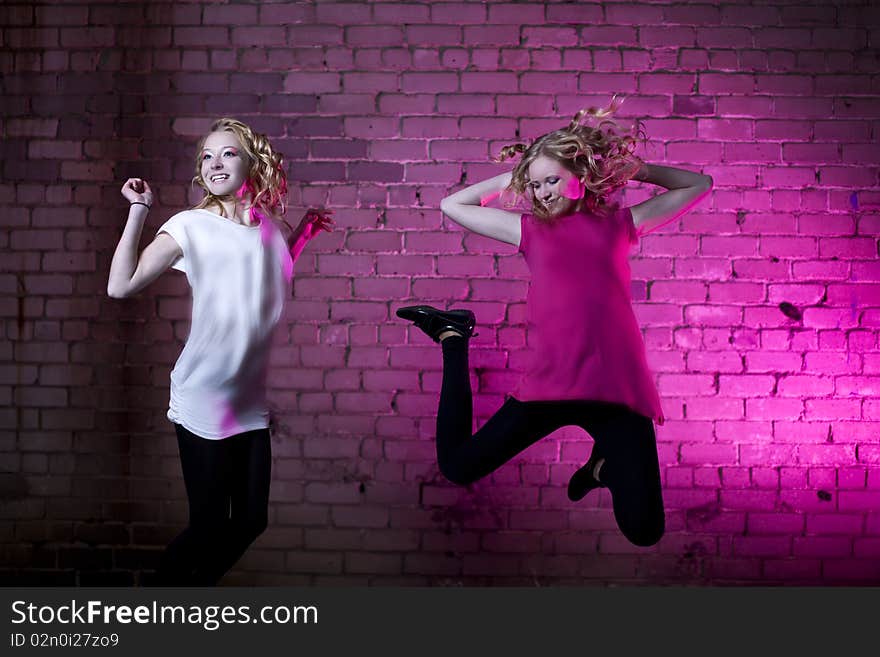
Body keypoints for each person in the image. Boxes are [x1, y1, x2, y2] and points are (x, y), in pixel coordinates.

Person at [397, 98, 712, 547]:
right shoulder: (529, 230)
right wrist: (519, 172)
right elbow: (454, 204)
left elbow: (699, 184)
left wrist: (636, 172)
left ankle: (601, 467)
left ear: (580, 180)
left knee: (644, 531)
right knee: (458, 465)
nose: (542, 192)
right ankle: (453, 337)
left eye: (552, 181)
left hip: (615, 389)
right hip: (552, 386)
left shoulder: (620, 224)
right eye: (536, 184)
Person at [108, 118, 333, 584]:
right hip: (205, 393)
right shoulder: (190, 226)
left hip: (249, 398)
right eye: (207, 156)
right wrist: (139, 211)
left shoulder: (269, 226)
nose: (214, 163)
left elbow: (268, 274)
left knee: (251, 521)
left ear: (252, 161)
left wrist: (304, 236)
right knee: (209, 526)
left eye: (227, 153)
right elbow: (119, 286)